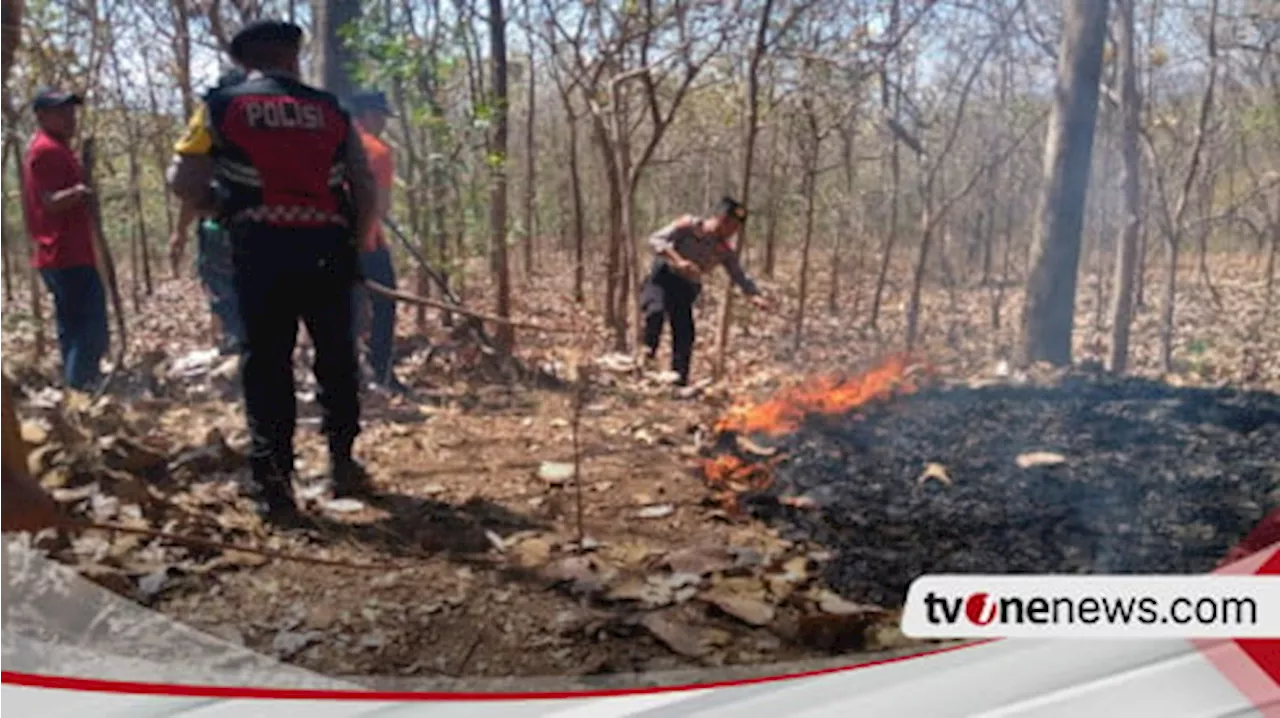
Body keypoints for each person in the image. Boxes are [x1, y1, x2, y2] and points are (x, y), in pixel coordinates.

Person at [165, 19, 379, 523]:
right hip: (327, 248)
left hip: (259, 249)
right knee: (336, 357)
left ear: (245, 61)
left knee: (266, 365)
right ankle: (342, 462)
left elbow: (181, 178)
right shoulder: (331, 110)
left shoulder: (220, 107)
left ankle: (275, 487)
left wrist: (216, 204)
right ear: (293, 57)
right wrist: (355, 238)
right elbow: (363, 185)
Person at [21, 88, 109, 392]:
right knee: (91, 329)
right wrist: (79, 192)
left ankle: (79, 389)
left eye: (71, 111)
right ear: (42, 116)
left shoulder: (59, 148)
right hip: (64, 253)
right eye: (61, 112)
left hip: (65, 253)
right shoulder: (47, 150)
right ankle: (83, 389)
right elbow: (49, 202)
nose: (69, 117)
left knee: (73, 327)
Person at [641, 196, 770, 387]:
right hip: (662, 277)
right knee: (655, 314)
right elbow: (655, 239)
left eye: (736, 229)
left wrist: (754, 295)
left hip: (685, 287)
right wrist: (677, 260)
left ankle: (678, 382)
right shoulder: (689, 226)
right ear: (721, 219)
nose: (733, 232)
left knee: (685, 334)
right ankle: (644, 365)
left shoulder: (724, 249)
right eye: (731, 226)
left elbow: (738, 274)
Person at [169, 69, 250, 355]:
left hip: (227, 226)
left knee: (228, 289)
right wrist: (179, 231)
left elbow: (186, 183)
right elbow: (191, 184)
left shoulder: (209, 122)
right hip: (237, 226)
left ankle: (239, 345)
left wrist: (180, 231)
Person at [346, 89, 407, 394]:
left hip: (325, 242)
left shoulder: (329, 142)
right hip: (366, 244)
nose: (383, 122)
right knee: (384, 304)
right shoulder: (378, 152)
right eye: (382, 116)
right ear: (369, 113)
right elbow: (380, 208)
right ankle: (381, 372)